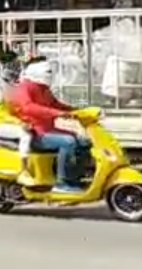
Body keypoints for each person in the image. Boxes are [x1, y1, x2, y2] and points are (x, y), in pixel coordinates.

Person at [9, 57, 92, 194]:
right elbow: (28, 107)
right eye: (47, 71)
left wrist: (76, 111)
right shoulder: (25, 87)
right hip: (36, 134)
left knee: (83, 141)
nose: (50, 74)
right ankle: (62, 183)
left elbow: (56, 104)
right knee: (69, 142)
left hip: (49, 131)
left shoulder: (44, 88)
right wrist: (56, 113)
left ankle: (74, 178)